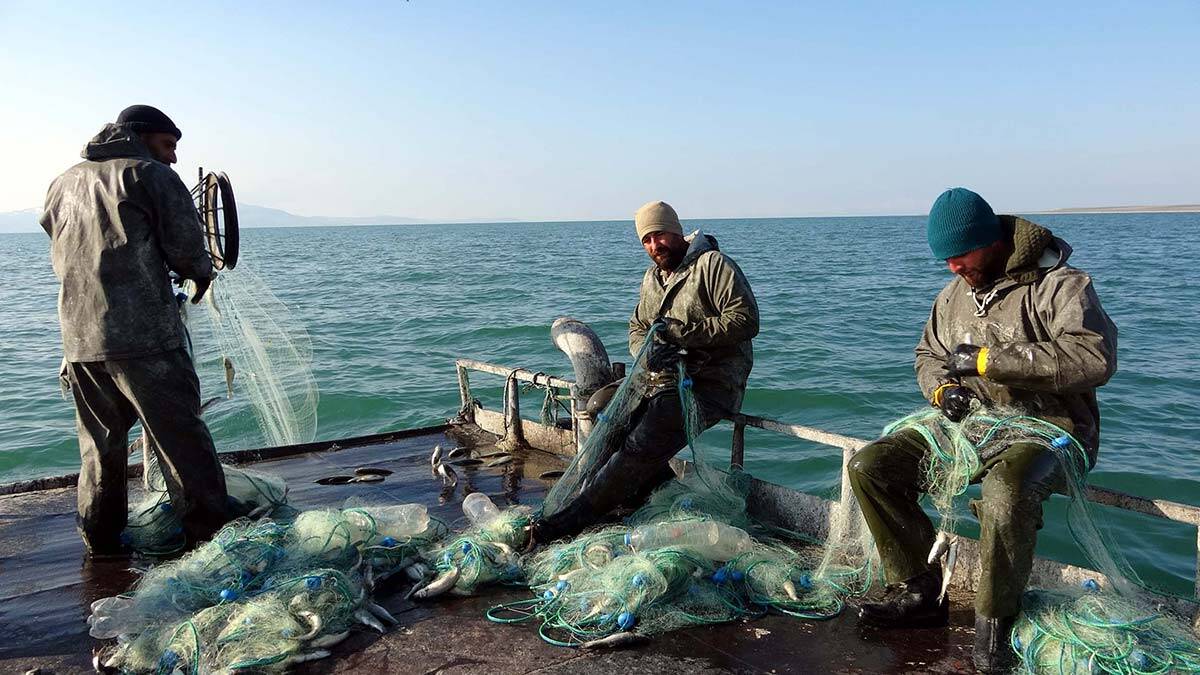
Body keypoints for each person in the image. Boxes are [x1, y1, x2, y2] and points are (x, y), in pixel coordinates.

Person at [846, 187, 1117, 672]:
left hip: (1052, 431)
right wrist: (940, 392)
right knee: (871, 465)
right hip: (975, 429)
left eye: (960, 255)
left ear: (991, 242)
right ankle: (918, 590)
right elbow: (927, 357)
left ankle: (995, 627)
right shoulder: (953, 296)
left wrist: (992, 361)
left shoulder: (1061, 284)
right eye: (945, 259)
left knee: (1006, 490)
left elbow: (1094, 357)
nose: (952, 267)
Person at [40, 105, 238, 556]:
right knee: (182, 441)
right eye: (168, 146)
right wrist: (201, 273)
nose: (172, 159)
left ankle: (101, 542)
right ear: (143, 137)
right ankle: (210, 542)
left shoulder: (63, 181)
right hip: (144, 338)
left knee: (100, 449)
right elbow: (189, 254)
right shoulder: (148, 176)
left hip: (79, 340)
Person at [529, 200, 759, 543]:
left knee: (643, 437)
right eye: (646, 241)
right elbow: (638, 328)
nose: (655, 246)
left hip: (711, 384)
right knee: (602, 410)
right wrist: (647, 353)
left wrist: (680, 334)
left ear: (677, 231)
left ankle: (573, 518)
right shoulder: (652, 279)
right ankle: (650, 487)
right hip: (658, 378)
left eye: (660, 235)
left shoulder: (714, 265)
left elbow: (745, 319)